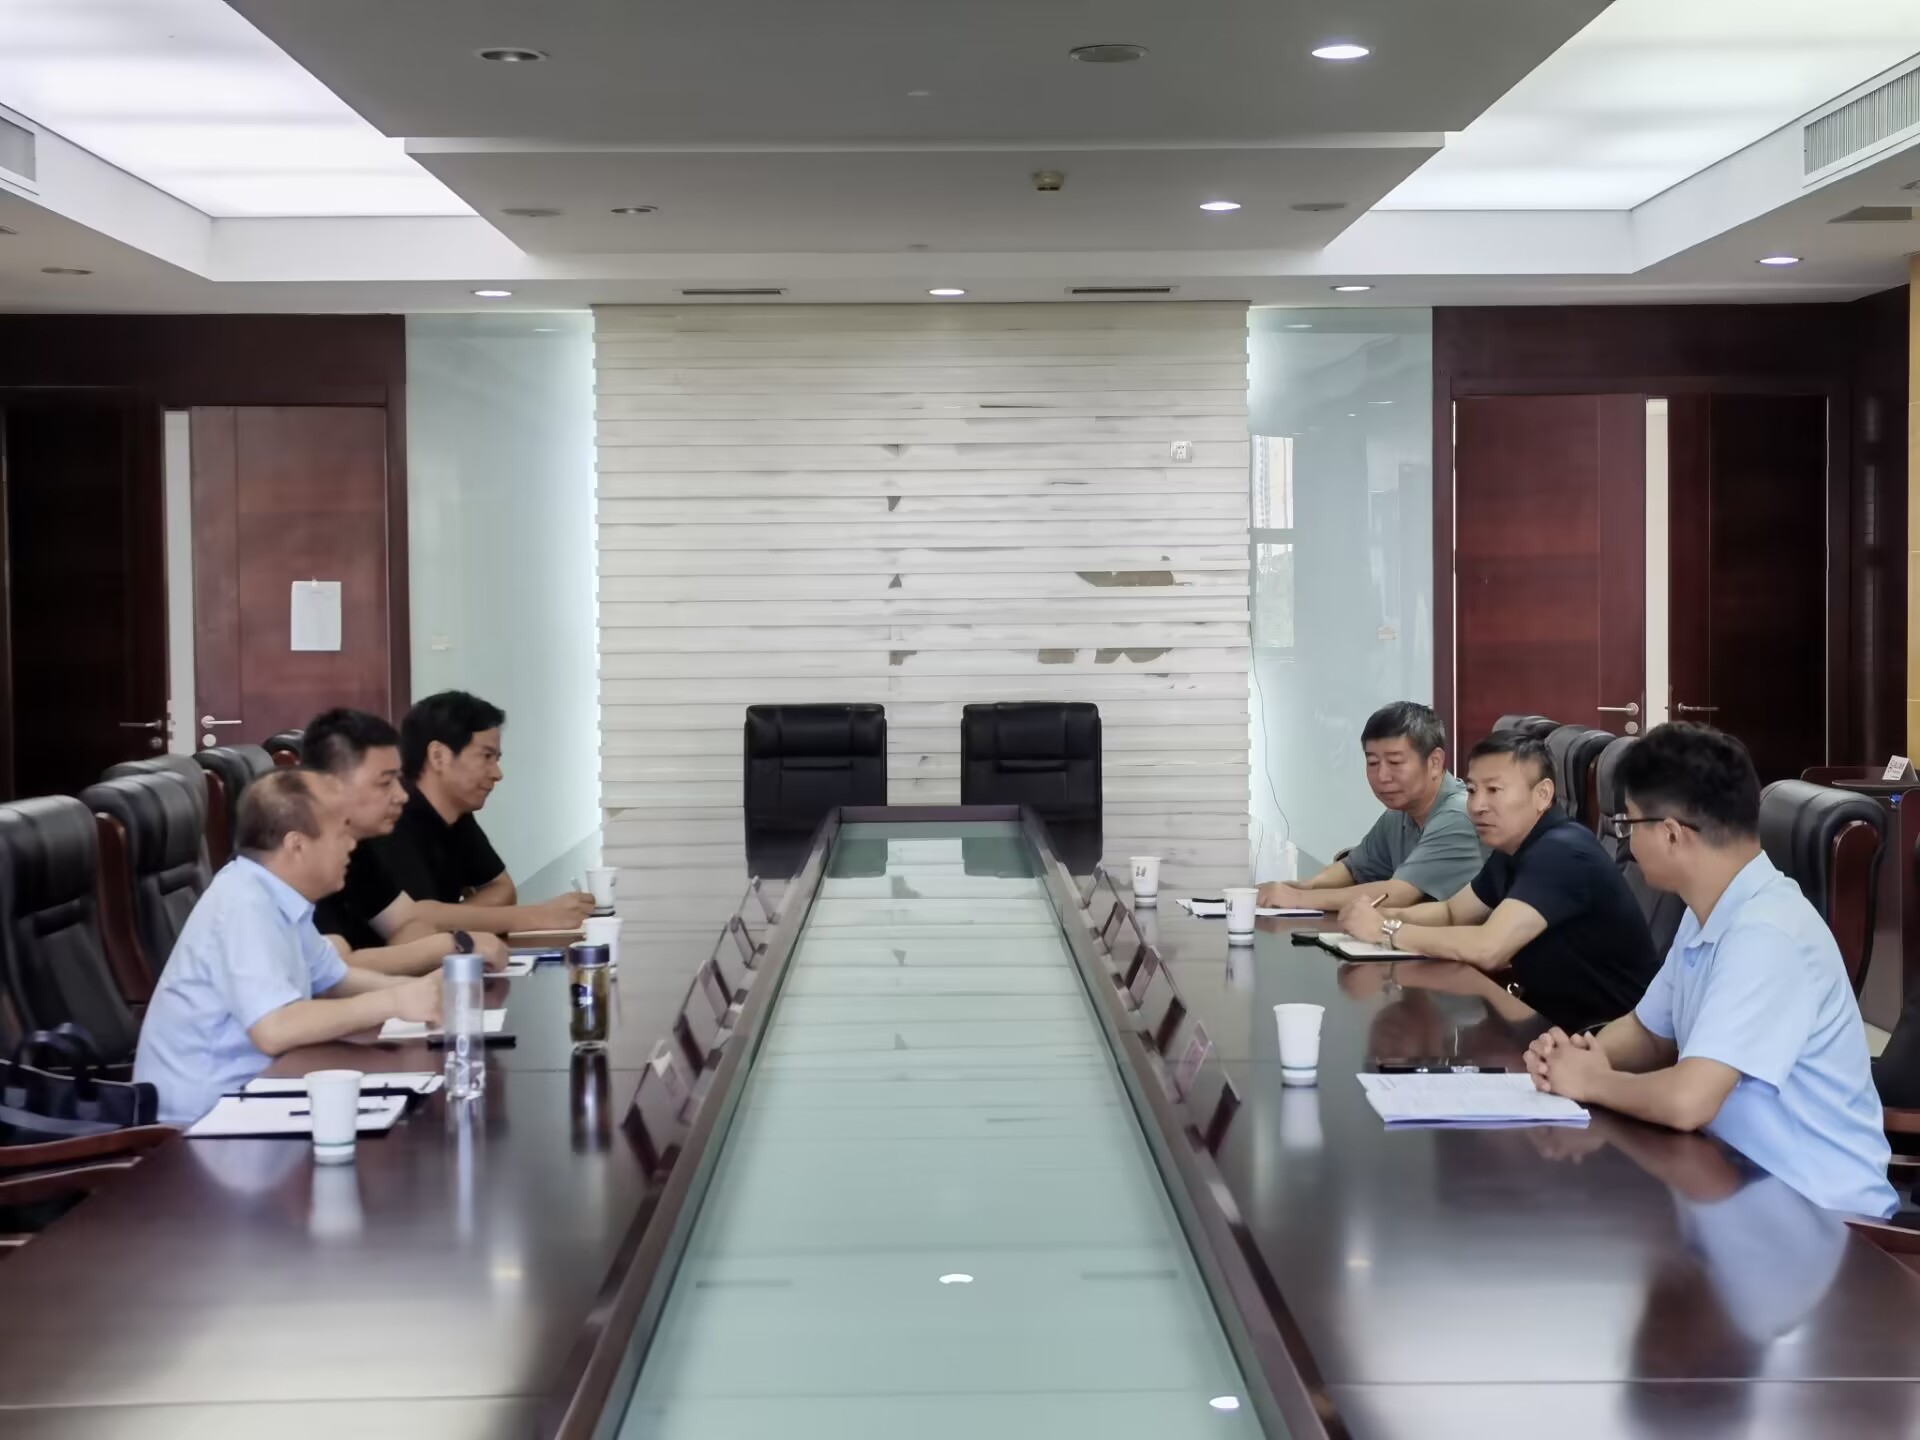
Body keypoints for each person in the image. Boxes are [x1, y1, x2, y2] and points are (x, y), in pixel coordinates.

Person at [1526, 723, 1896, 1218]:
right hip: (1735, 1186)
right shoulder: (1708, 909)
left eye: (1629, 824)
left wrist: (1591, 1083)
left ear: (1671, 834)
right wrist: (1574, 1057)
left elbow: (1689, 1101)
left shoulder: (1768, 933)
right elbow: (1650, 1032)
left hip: (1823, 1220)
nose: (1625, 840)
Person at [132, 769, 442, 1125]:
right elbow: (274, 1028)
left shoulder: (279, 895)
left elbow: (335, 980)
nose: (352, 845)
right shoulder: (243, 904)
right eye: (341, 832)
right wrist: (393, 1002)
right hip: (200, 1123)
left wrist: (423, 990)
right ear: (297, 845)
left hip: (255, 1095)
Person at [1338, 730, 1659, 1033]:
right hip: (1547, 1022)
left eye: (1494, 790)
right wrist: (1383, 915)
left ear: (1542, 794)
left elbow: (1489, 948)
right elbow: (1453, 912)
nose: (1477, 806)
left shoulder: (1562, 852)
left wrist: (1385, 930)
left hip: (1604, 1040)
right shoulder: (1516, 845)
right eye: (1472, 790)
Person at [301, 707, 509, 975]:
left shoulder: (356, 845)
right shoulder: (299, 853)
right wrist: (453, 945)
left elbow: (409, 924)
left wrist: (420, 956)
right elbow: (333, 971)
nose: (402, 795)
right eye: (385, 783)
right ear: (333, 785)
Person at [372, 690, 594, 935]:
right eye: (486, 756)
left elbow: (503, 890)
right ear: (438, 756)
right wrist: (538, 915)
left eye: (496, 759)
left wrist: (447, 918)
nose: (497, 774)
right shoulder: (392, 816)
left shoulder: (457, 814)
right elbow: (413, 920)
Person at [1258, 702, 1484, 912]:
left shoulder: (1460, 814)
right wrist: (1306, 886)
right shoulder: (1398, 814)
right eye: (1373, 762)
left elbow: (1399, 893)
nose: (1382, 776)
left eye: (1395, 762)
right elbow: (1354, 868)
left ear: (1435, 762)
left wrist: (1298, 899)